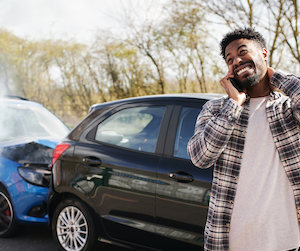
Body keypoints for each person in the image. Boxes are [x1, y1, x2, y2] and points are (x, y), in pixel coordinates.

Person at [187, 27, 300, 251]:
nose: (236, 61)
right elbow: (200, 157)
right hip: (233, 242)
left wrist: (276, 76)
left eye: (242, 52)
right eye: (230, 59)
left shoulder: (288, 108)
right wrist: (234, 104)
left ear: (264, 54)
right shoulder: (216, 108)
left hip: (288, 242)